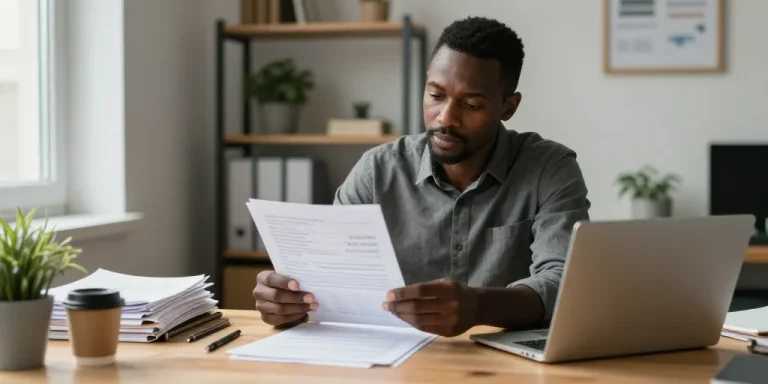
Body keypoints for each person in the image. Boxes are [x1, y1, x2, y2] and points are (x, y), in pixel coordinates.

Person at [251, 16, 590, 337]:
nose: (446, 118)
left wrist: (478, 306)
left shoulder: (549, 168)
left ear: (507, 107)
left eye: (471, 105)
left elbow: (565, 282)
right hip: (393, 360)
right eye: (436, 95)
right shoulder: (377, 171)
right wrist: (288, 300)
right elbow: (325, 275)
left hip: (507, 363)